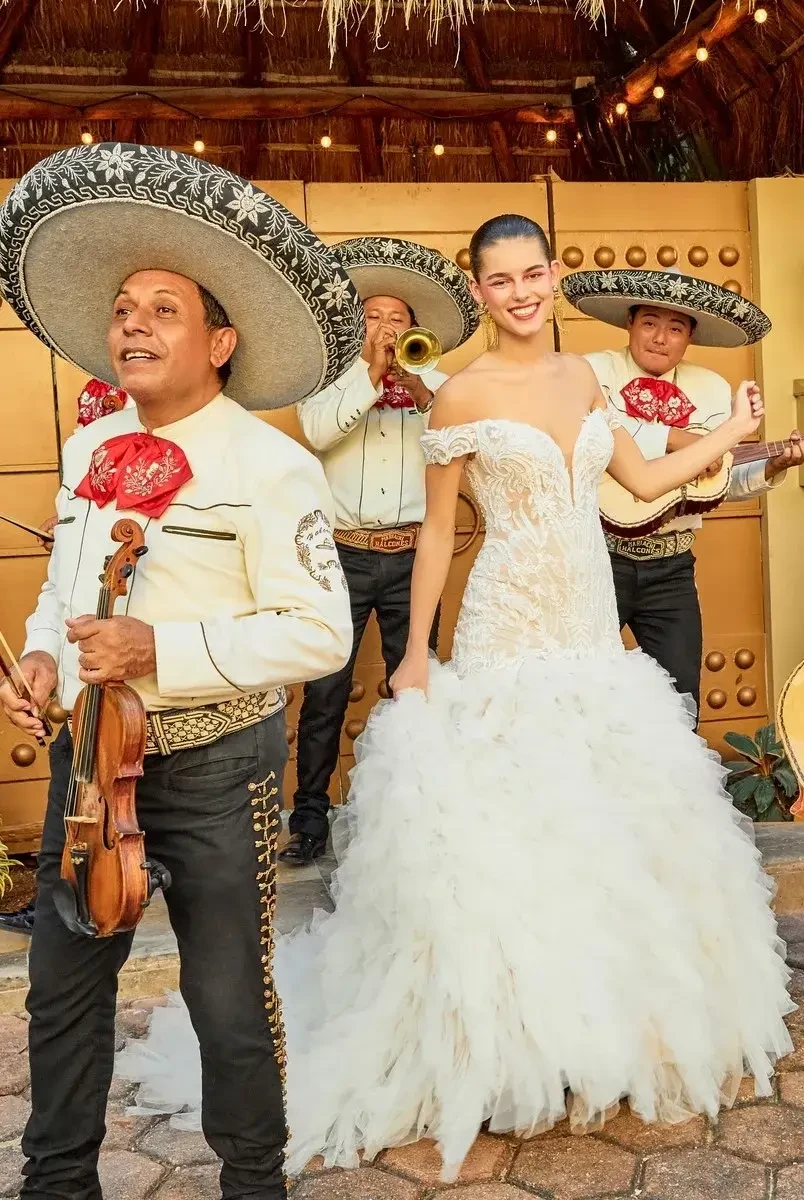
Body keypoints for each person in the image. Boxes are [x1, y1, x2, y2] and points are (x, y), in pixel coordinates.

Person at [117, 213, 793, 1182]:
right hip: (508, 625)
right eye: (500, 280)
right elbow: (438, 535)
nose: (520, 292)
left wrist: (728, 436)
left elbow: (635, 483)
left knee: (609, 828)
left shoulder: (586, 380)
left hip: (591, 632)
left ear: (554, 276)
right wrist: (416, 656)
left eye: (532, 274)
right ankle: (509, 1043)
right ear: (479, 292)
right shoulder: (461, 395)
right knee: (511, 833)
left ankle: (602, 1027)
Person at [0, 141, 362, 1200]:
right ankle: (55, 1184)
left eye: (163, 309)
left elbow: (320, 633)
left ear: (220, 339)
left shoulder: (272, 464)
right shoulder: (89, 450)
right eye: (122, 308)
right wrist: (39, 654)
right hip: (90, 768)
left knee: (227, 1001)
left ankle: (255, 1185)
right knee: (62, 993)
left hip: (220, 771)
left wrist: (168, 650)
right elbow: (69, 585)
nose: (132, 325)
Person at [283, 237, 477, 865]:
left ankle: (417, 812)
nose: (387, 329)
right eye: (374, 317)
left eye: (398, 320)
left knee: (417, 687)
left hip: (413, 559)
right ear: (354, 323)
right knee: (325, 695)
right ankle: (309, 818)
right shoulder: (329, 380)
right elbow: (318, 432)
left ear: (415, 330)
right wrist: (369, 376)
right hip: (341, 556)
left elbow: (460, 440)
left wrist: (417, 383)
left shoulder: (436, 381)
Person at [561, 267, 803, 715]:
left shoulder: (712, 389)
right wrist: (677, 438)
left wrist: (773, 464)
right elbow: (578, 434)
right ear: (629, 322)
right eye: (649, 322)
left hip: (671, 566)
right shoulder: (590, 371)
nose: (659, 338)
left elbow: (718, 482)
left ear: (690, 336)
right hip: (595, 556)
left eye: (675, 328)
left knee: (681, 702)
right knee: (578, 694)